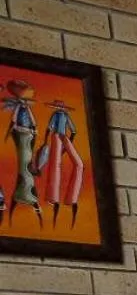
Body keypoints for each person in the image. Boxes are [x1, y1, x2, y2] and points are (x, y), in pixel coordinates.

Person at [33, 99, 82, 226]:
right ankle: (57, 198)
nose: (59, 108)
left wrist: (66, 143)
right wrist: (48, 142)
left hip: (59, 137)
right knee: (56, 167)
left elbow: (71, 130)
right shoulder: (60, 115)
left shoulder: (61, 115)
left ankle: (62, 198)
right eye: (58, 107)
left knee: (73, 165)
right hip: (59, 138)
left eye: (60, 107)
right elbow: (53, 129)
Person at [2, 79, 41, 226]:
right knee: (25, 163)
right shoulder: (19, 108)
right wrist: (9, 133)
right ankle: (25, 194)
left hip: (28, 133)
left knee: (27, 162)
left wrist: (34, 131)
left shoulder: (26, 109)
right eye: (23, 99)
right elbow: (13, 121)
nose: (25, 102)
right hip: (21, 134)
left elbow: (33, 121)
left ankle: (27, 193)